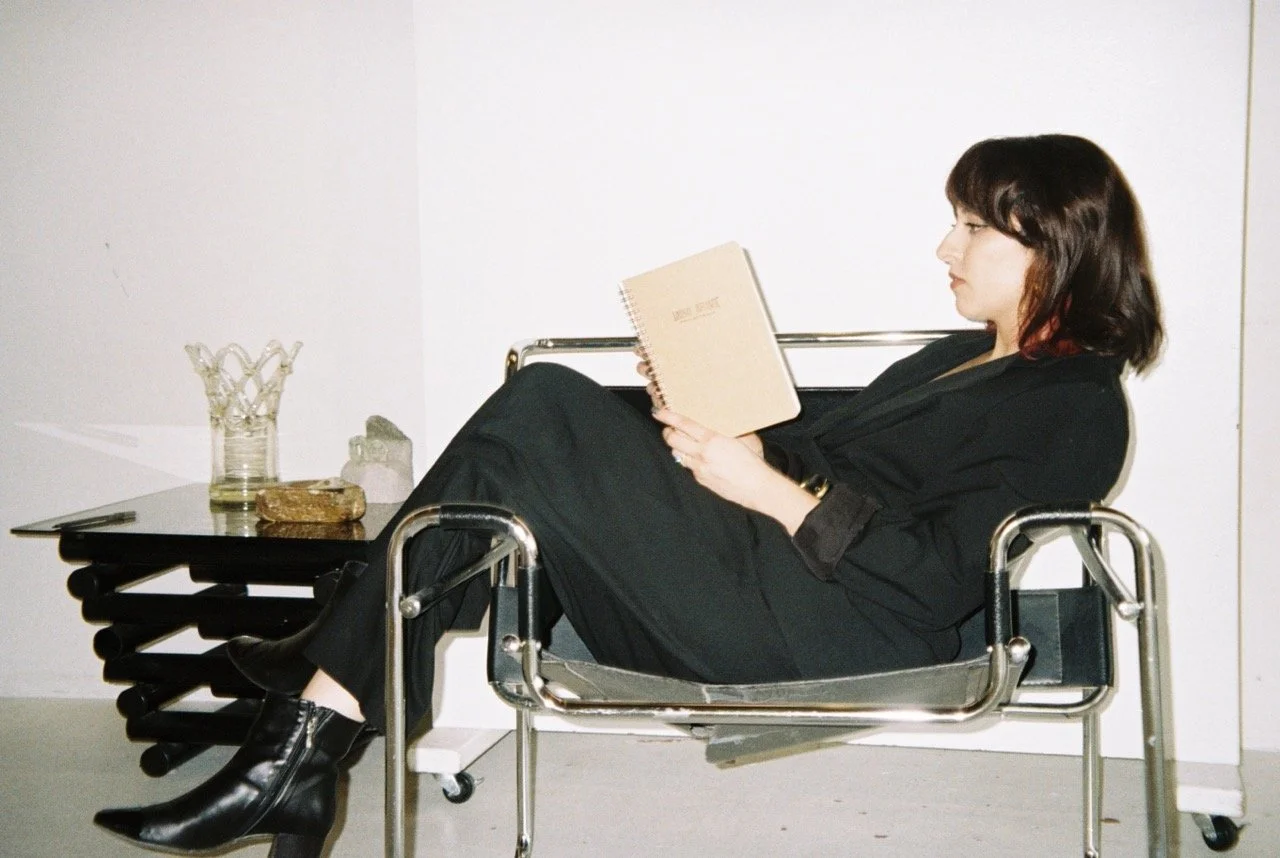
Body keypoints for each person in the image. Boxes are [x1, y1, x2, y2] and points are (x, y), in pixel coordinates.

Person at [94, 133, 1163, 857]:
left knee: (541, 403)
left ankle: (315, 711)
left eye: (974, 228)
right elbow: (817, 444)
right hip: (763, 578)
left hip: (826, 627)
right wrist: (700, 407)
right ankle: (314, 729)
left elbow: (933, 577)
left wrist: (765, 489)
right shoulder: (956, 356)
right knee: (535, 428)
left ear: (1054, 247)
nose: (944, 246)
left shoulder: (1073, 404)